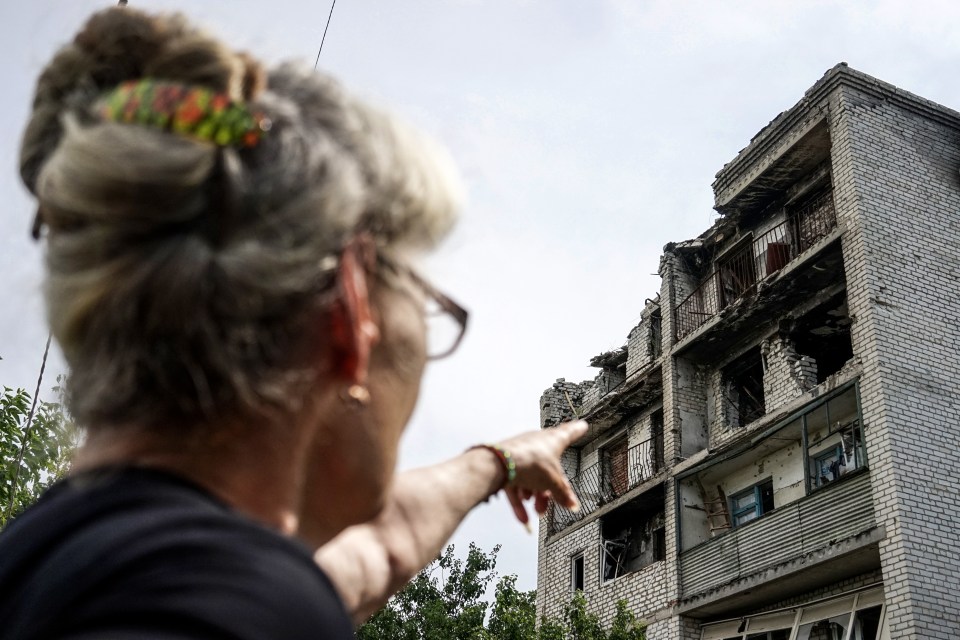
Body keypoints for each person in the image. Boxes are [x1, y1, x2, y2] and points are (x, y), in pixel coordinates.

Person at [0, 6, 586, 639]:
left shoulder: (64, 558)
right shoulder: (227, 608)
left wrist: (496, 463)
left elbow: (373, 555)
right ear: (353, 308)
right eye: (425, 303)